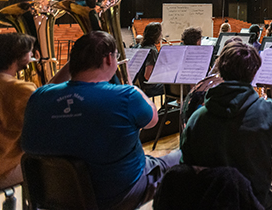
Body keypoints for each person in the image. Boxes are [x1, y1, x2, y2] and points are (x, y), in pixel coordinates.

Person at [21, 31, 181, 210]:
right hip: (119, 196)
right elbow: (152, 120)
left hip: (51, 197)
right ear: (108, 60)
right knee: (181, 156)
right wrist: (128, 83)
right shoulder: (126, 96)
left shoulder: (38, 98)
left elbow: (49, 87)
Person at [180, 41, 272, 210]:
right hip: (255, 203)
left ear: (220, 69)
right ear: (254, 73)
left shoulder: (196, 119)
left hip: (210, 203)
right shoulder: (269, 111)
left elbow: (187, 169)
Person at [0, 33, 36, 192]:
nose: (32, 55)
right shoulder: (19, 89)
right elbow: (41, 130)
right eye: (29, 52)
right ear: (18, 56)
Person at [137, 22, 164, 97]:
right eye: (160, 33)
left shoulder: (140, 47)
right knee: (172, 88)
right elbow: (147, 76)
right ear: (156, 35)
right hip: (149, 87)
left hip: (141, 85)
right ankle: (165, 108)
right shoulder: (152, 51)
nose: (161, 36)